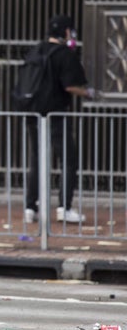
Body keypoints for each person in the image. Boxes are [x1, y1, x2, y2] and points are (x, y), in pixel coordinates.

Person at [24, 15, 97, 224]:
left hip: (33, 113)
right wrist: (89, 93)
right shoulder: (64, 54)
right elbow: (71, 85)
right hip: (55, 113)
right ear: (67, 32)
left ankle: (31, 207)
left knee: (37, 159)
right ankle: (64, 206)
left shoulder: (36, 50)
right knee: (68, 159)